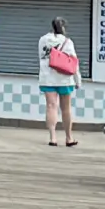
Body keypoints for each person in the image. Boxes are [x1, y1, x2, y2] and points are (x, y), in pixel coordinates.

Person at [38, 15, 81, 147]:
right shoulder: (67, 42)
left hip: (47, 78)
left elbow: (41, 57)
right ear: (63, 28)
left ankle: (53, 138)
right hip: (65, 79)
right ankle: (69, 138)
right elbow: (74, 63)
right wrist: (77, 80)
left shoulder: (43, 40)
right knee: (66, 108)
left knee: (51, 106)